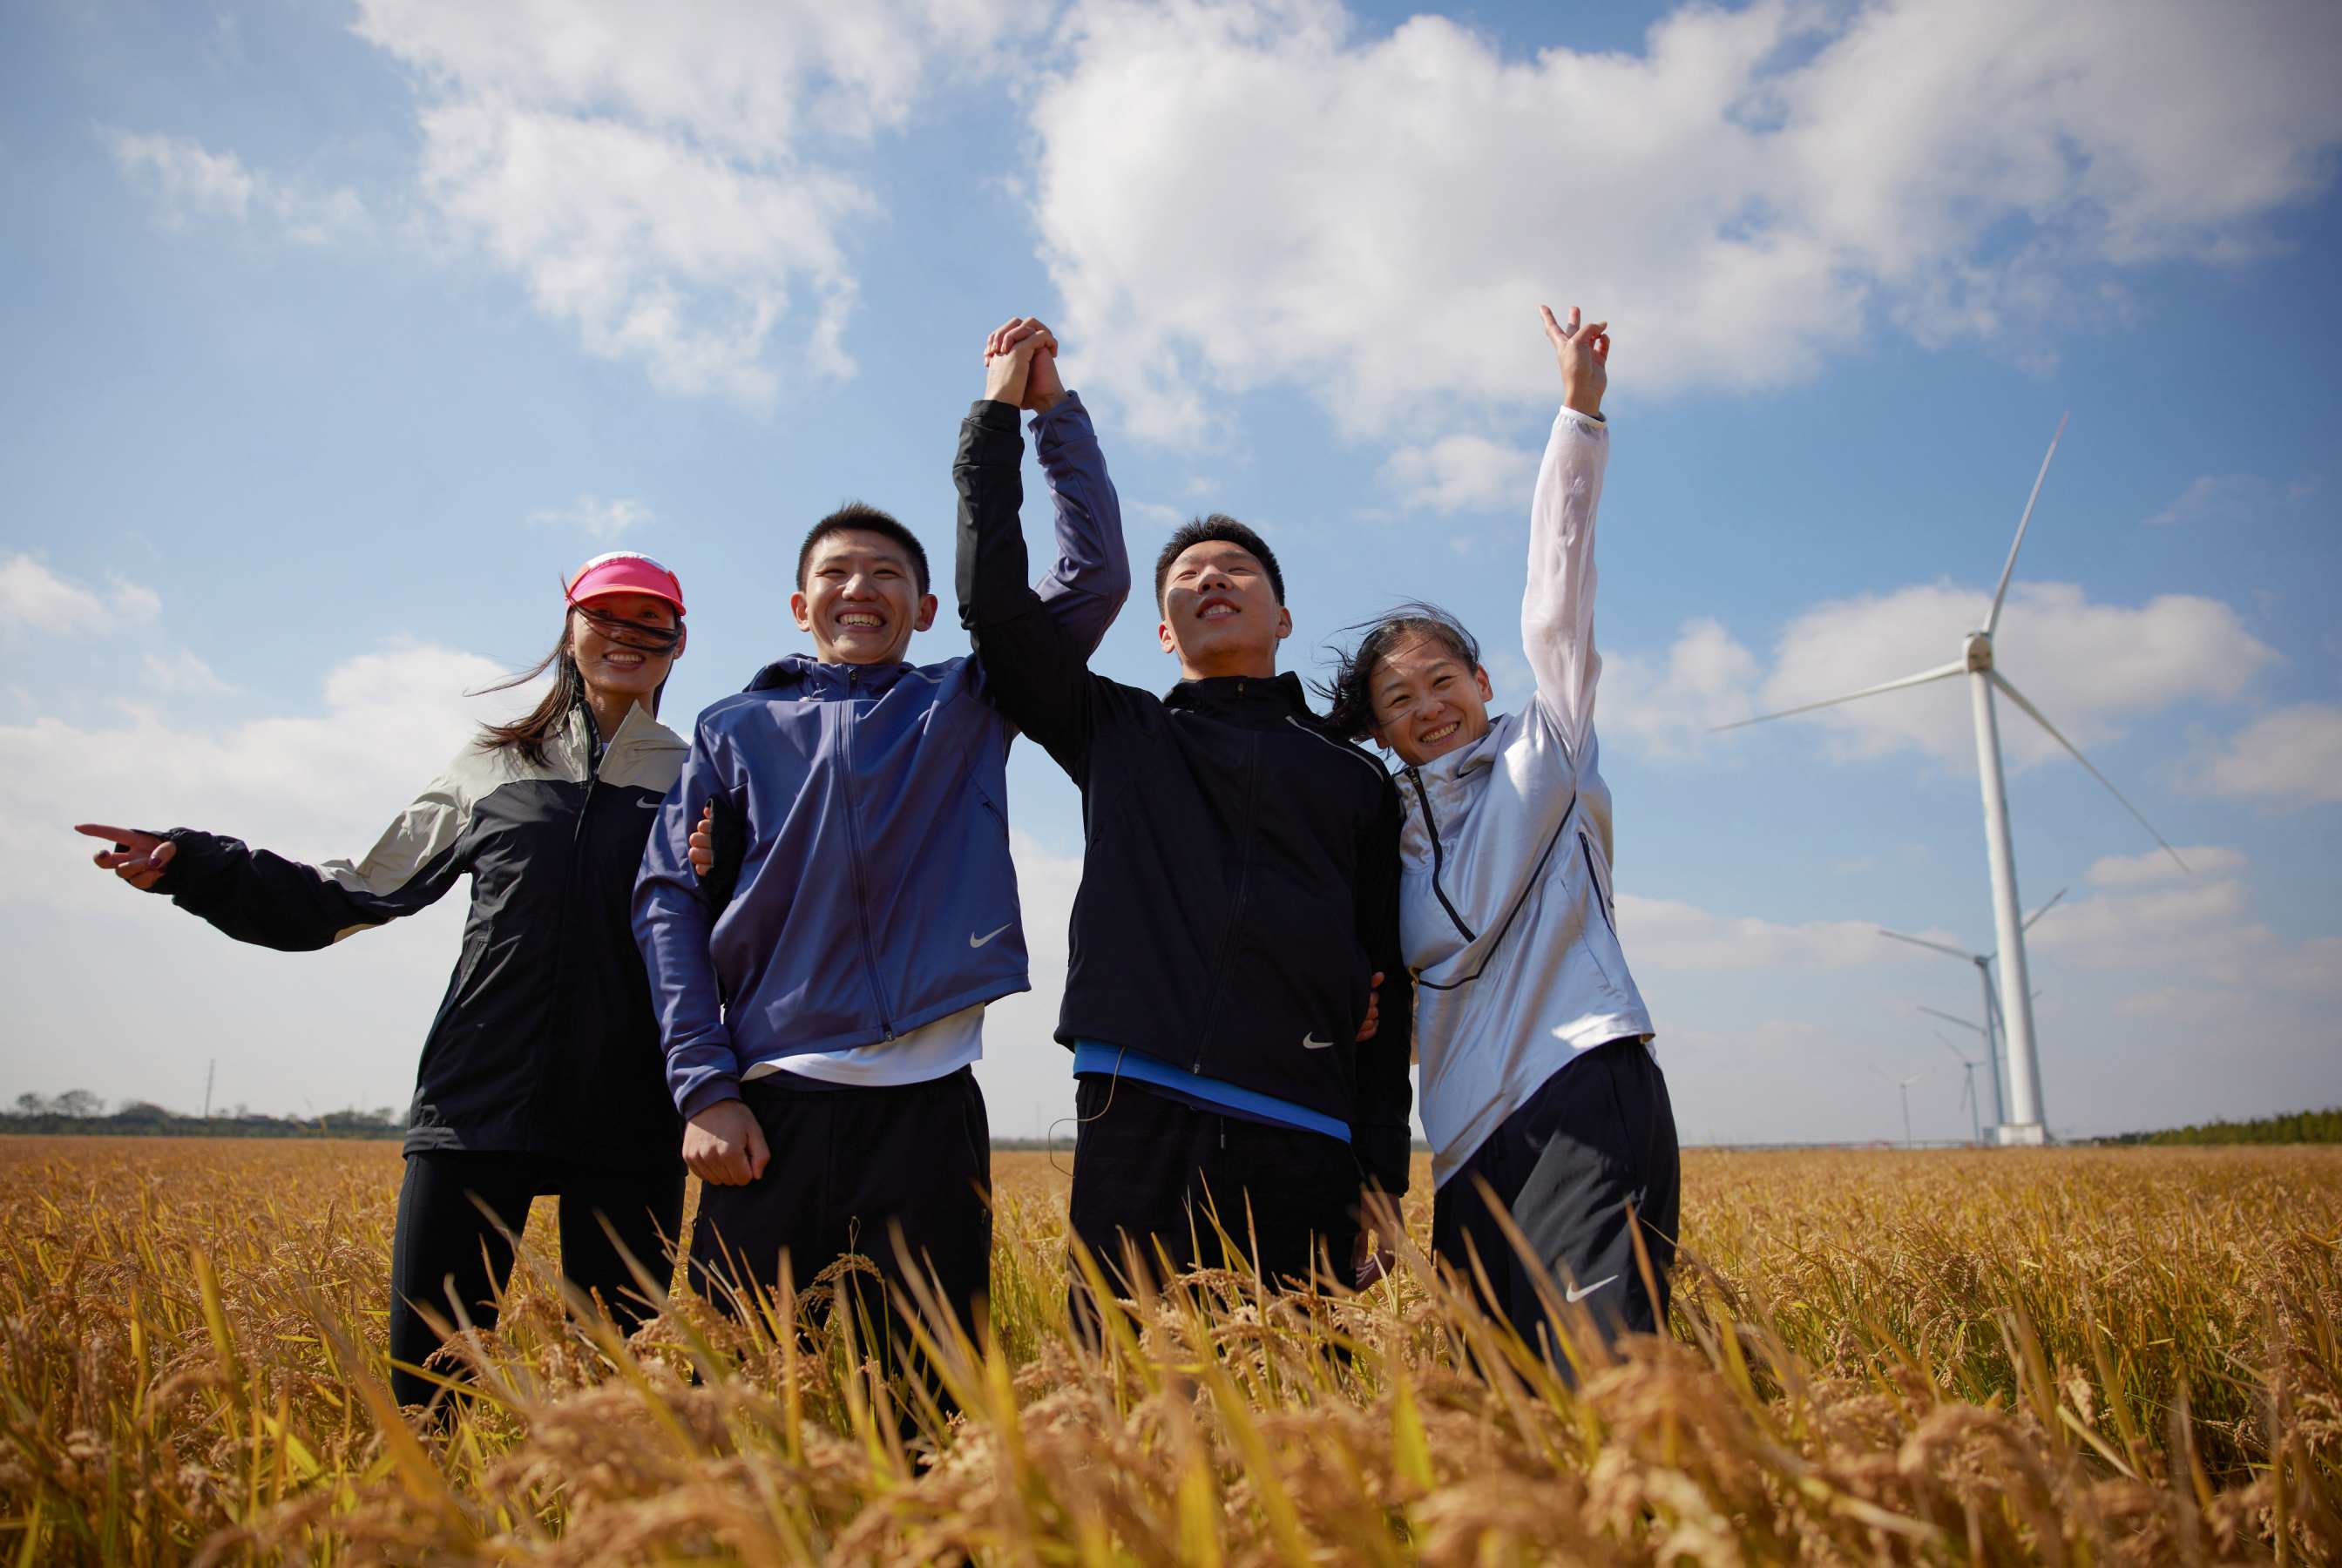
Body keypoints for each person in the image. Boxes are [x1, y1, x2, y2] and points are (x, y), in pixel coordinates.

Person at [76, 552, 695, 1410]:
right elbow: (348, 894)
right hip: (478, 1102)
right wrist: (197, 866)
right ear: (570, 629)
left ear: (677, 643)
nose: (624, 637)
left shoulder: (701, 779)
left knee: (635, 1397)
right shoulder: (492, 766)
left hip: (633, 1114)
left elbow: (757, 932)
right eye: (605, 617)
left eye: (648, 623)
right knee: (430, 1393)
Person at [634, 317, 1128, 1370]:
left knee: (927, 1410)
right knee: (741, 1418)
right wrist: (706, 1088)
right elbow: (668, 904)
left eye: (886, 575)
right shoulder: (733, 728)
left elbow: (1093, 580)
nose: (860, 589)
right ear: (800, 603)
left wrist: (1048, 416)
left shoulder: (970, 698)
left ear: (927, 606)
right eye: (838, 573)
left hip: (930, 1117)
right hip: (765, 1116)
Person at [955, 371, 1413, 1304]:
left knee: (1296, 1415)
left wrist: (1381, 1171)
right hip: (1141, 1104)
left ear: (1282, 619)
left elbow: (1387, 982)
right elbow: (997, 609)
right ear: (1163, 633)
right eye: (1186, 577)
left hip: (1307, 1131)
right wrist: (1015, 418)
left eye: (1236, 570)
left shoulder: (1356, 779)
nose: (1210, 578)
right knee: (1125, 1400)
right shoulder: (1117, 731)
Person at [1320, 307, 1677, 1356]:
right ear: (1380, 730)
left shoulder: (1550, 751)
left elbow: (1559, 600)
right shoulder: (1384, 837)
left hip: (1583, 1085)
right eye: (1400, 699)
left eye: (1444, 680)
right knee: (1499, 1395)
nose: (1429, 706)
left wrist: (1577, 416)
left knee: (1606, 1374)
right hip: (1468, 1140)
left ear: (1483, 682)